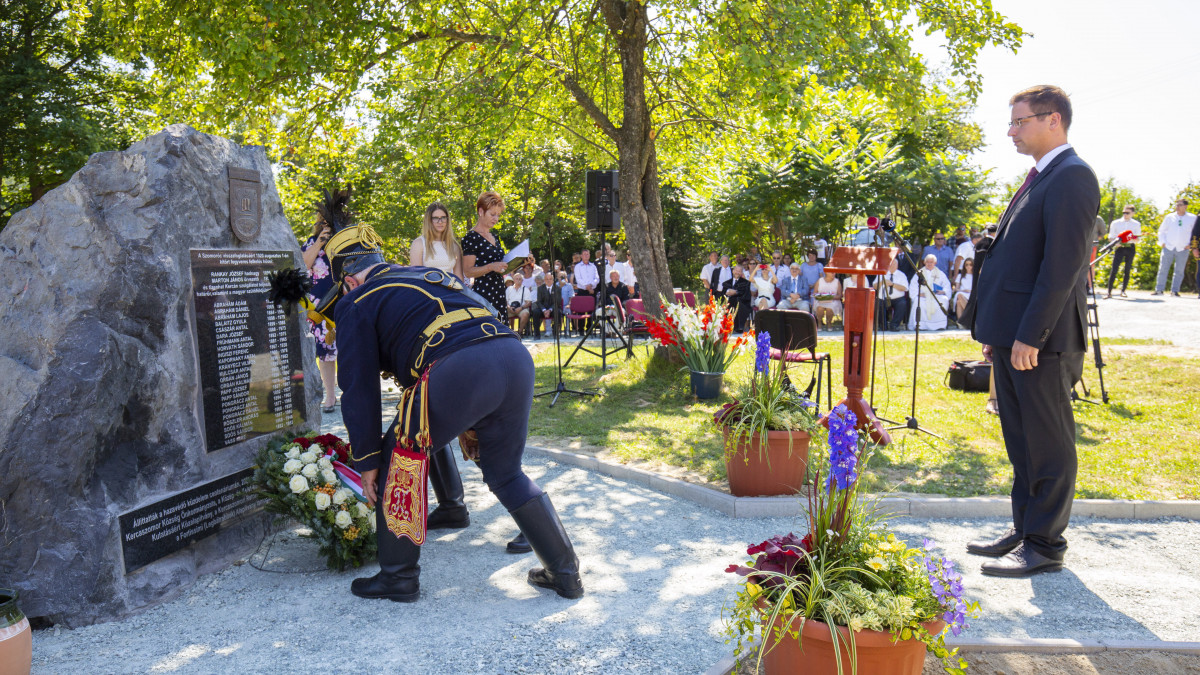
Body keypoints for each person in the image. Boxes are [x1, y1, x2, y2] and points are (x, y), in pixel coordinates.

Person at [271, 196, 584, 603]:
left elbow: (359, 388)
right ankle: (566, 574)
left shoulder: (356, 300)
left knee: (396, 458)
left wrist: (367, 460)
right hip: (514, 357)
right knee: (506, 472)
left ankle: (398, 577)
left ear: (347, 280)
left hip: (461, 365)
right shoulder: (429, 277)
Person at [961, 85, 1100, 578]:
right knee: (1021, 441)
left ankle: (1045, 543)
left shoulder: (1073, 177)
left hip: (1041, 344)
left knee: (1047, 442)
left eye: (1020, 121)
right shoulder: (1042, 176)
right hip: (1015, 338)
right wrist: (1000, 331)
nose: (1011, 130)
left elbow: (1060, 269)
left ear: (1053, 120)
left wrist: (1031, 336)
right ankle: (1025, 527)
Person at [301, 212, 338, 412]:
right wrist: (319, 244)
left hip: (344, 301)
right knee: (325, 352)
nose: (326, 224)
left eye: (330, 221)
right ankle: (330, 397)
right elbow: (303, 265)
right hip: (320, 307)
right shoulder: (312, 242)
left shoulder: (343, 240)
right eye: (323, 221)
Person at [461, 191, 510, 319]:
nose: (496, 218)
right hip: (483, 294)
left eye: (498, 215)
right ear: (481, 212)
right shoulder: (471, 238)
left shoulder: (495, 237)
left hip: (499, 292)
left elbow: (502, 266)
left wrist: (522, 262)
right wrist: (490, 267)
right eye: (492, 214)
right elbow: (468, 271)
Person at [409, 202, 464, 279]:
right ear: (429, 221)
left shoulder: (454, 245)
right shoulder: (419, 243)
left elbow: (459, 278)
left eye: (443, 218)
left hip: (449, 289)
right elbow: (417, 277)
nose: (440, 222)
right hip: (426, 289)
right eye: (435, 218)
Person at [1153, 199, 1195, 297]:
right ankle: (1159, 290)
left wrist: (1191, 244)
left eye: (1180, 205)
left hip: (1183, 248)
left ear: (1186, 206)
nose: (1177, 207)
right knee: (1163, 268)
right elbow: (1161, 231)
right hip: (1169, 247)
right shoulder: (1169, 217)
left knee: (1179, 271)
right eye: (1177, 205)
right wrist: (1162, 242)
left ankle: (1174, 291)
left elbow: (1195, 232)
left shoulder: (1192, 218)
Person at [908, 254, 951, 331]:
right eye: (927, 262)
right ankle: (921, 325)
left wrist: (943, 291)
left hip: (936, 296)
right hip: (923, 296)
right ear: (924, 262)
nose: (929, 264)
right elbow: (913, 286)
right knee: (918, 302)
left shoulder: (940, 274)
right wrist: (918, 293)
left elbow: (947, 286)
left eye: (931, 262)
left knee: (944, 299)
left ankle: (940, 325)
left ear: (935, 263)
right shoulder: (919, 274)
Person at [1105, 205, 1141, 298]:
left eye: (1127, 213)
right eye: (1124, 213)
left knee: (1127, 269)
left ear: (1132, 213)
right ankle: (1109, 291)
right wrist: (1115, 243)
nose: (1125, 215)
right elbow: (1110, 236)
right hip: (1119, 247)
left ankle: (1123, 290)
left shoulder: (1136, 224)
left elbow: (1138, 238)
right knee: (1114, 269)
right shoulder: (1116, 223)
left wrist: (1130, 238)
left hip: (1130, 247)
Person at [874, 257, 909, 331]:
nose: (892, 266)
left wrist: (892, 284)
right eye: (891, 264)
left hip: (898, 298)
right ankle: (883, 326)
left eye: (894, 264)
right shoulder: (882, 273)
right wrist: (882, 282)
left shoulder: (901, 275)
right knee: (878, 303)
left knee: (902, 304)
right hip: (883, 298)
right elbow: (874, 286)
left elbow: (905, 288)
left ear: (897, 265)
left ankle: (894, 325)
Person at [722, 264, 752, 332]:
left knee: (737, 303)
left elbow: (746, 295)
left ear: (741, 273)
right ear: (733, 271)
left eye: (739, 271)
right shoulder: (726, 283)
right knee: (727, 303)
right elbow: (723, 293)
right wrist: (728, 292)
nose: (737, 272)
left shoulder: (745, 283)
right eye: (736, 270)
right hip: (729, 303)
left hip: (742, 303)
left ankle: (738, 328)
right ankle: (727, 327)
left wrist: (736, 292)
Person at [507, 272, 533, 336]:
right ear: (514, 280)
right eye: (516, 279)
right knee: (502, 313)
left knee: (525, 314)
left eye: (520, 279)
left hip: (521, 308)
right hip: (510, 308)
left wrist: (521, 308)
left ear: (522, 280)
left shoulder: (526, 289)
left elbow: (529, 302)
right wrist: (509, 307)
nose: (518, 280)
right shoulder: (509, 289)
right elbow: (505, 301)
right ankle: (508, 332)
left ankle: (520, 332)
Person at [530, 272, 556, 339]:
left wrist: (549, 310)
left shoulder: (556, 288)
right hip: (542, 308)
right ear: (545, 280)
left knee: (558, 312)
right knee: (535, 312)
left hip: (552, 308)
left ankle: (556, 334)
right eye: (547, 279)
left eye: (550, 279)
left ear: (553, 280)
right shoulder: (540, 289)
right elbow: (539, 302)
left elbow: (556, 302)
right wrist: (544, 310)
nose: (548, 281)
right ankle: (537, 334)